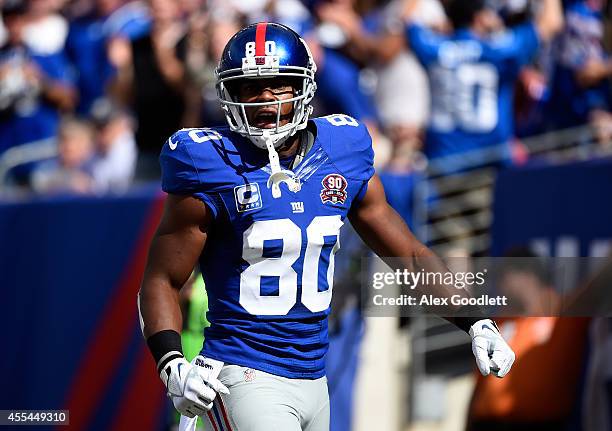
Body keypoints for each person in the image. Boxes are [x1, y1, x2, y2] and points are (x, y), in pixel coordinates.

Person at [138, 22, 515, 431]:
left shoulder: (343, 149)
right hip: (243, 373)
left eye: (280, 84)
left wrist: (475, 320)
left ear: (304, 87)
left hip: (315, 379)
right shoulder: (208, 162)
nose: (265, 98)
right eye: (251, 87)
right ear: (230, 94)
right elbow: (162, 278)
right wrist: (171, 362)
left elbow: (406, 253)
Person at [403, 0, 564, 171]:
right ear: (480, 18)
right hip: (489, 164)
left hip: (443, 164)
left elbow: (407, 19)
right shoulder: (499, 51)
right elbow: (552, 23)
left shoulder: (433, 49)